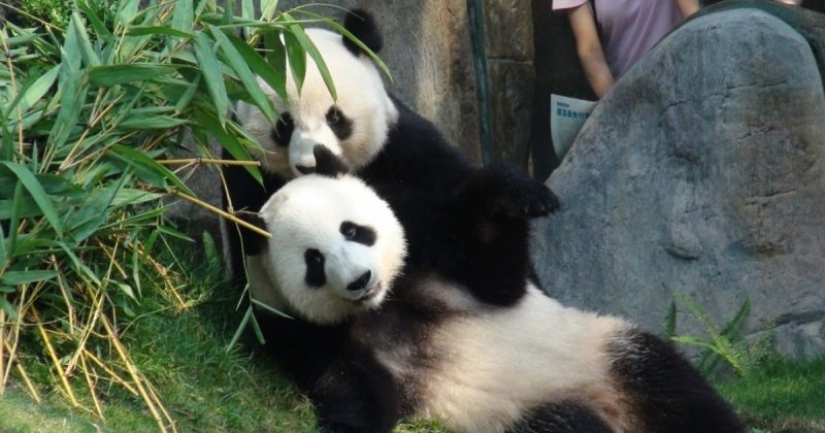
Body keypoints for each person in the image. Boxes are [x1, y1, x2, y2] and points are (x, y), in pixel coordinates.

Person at [554, 0, 700, 98]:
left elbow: (694, 18)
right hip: (626, 90)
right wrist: (617, 108)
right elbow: (589, 50)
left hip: (684, 82)